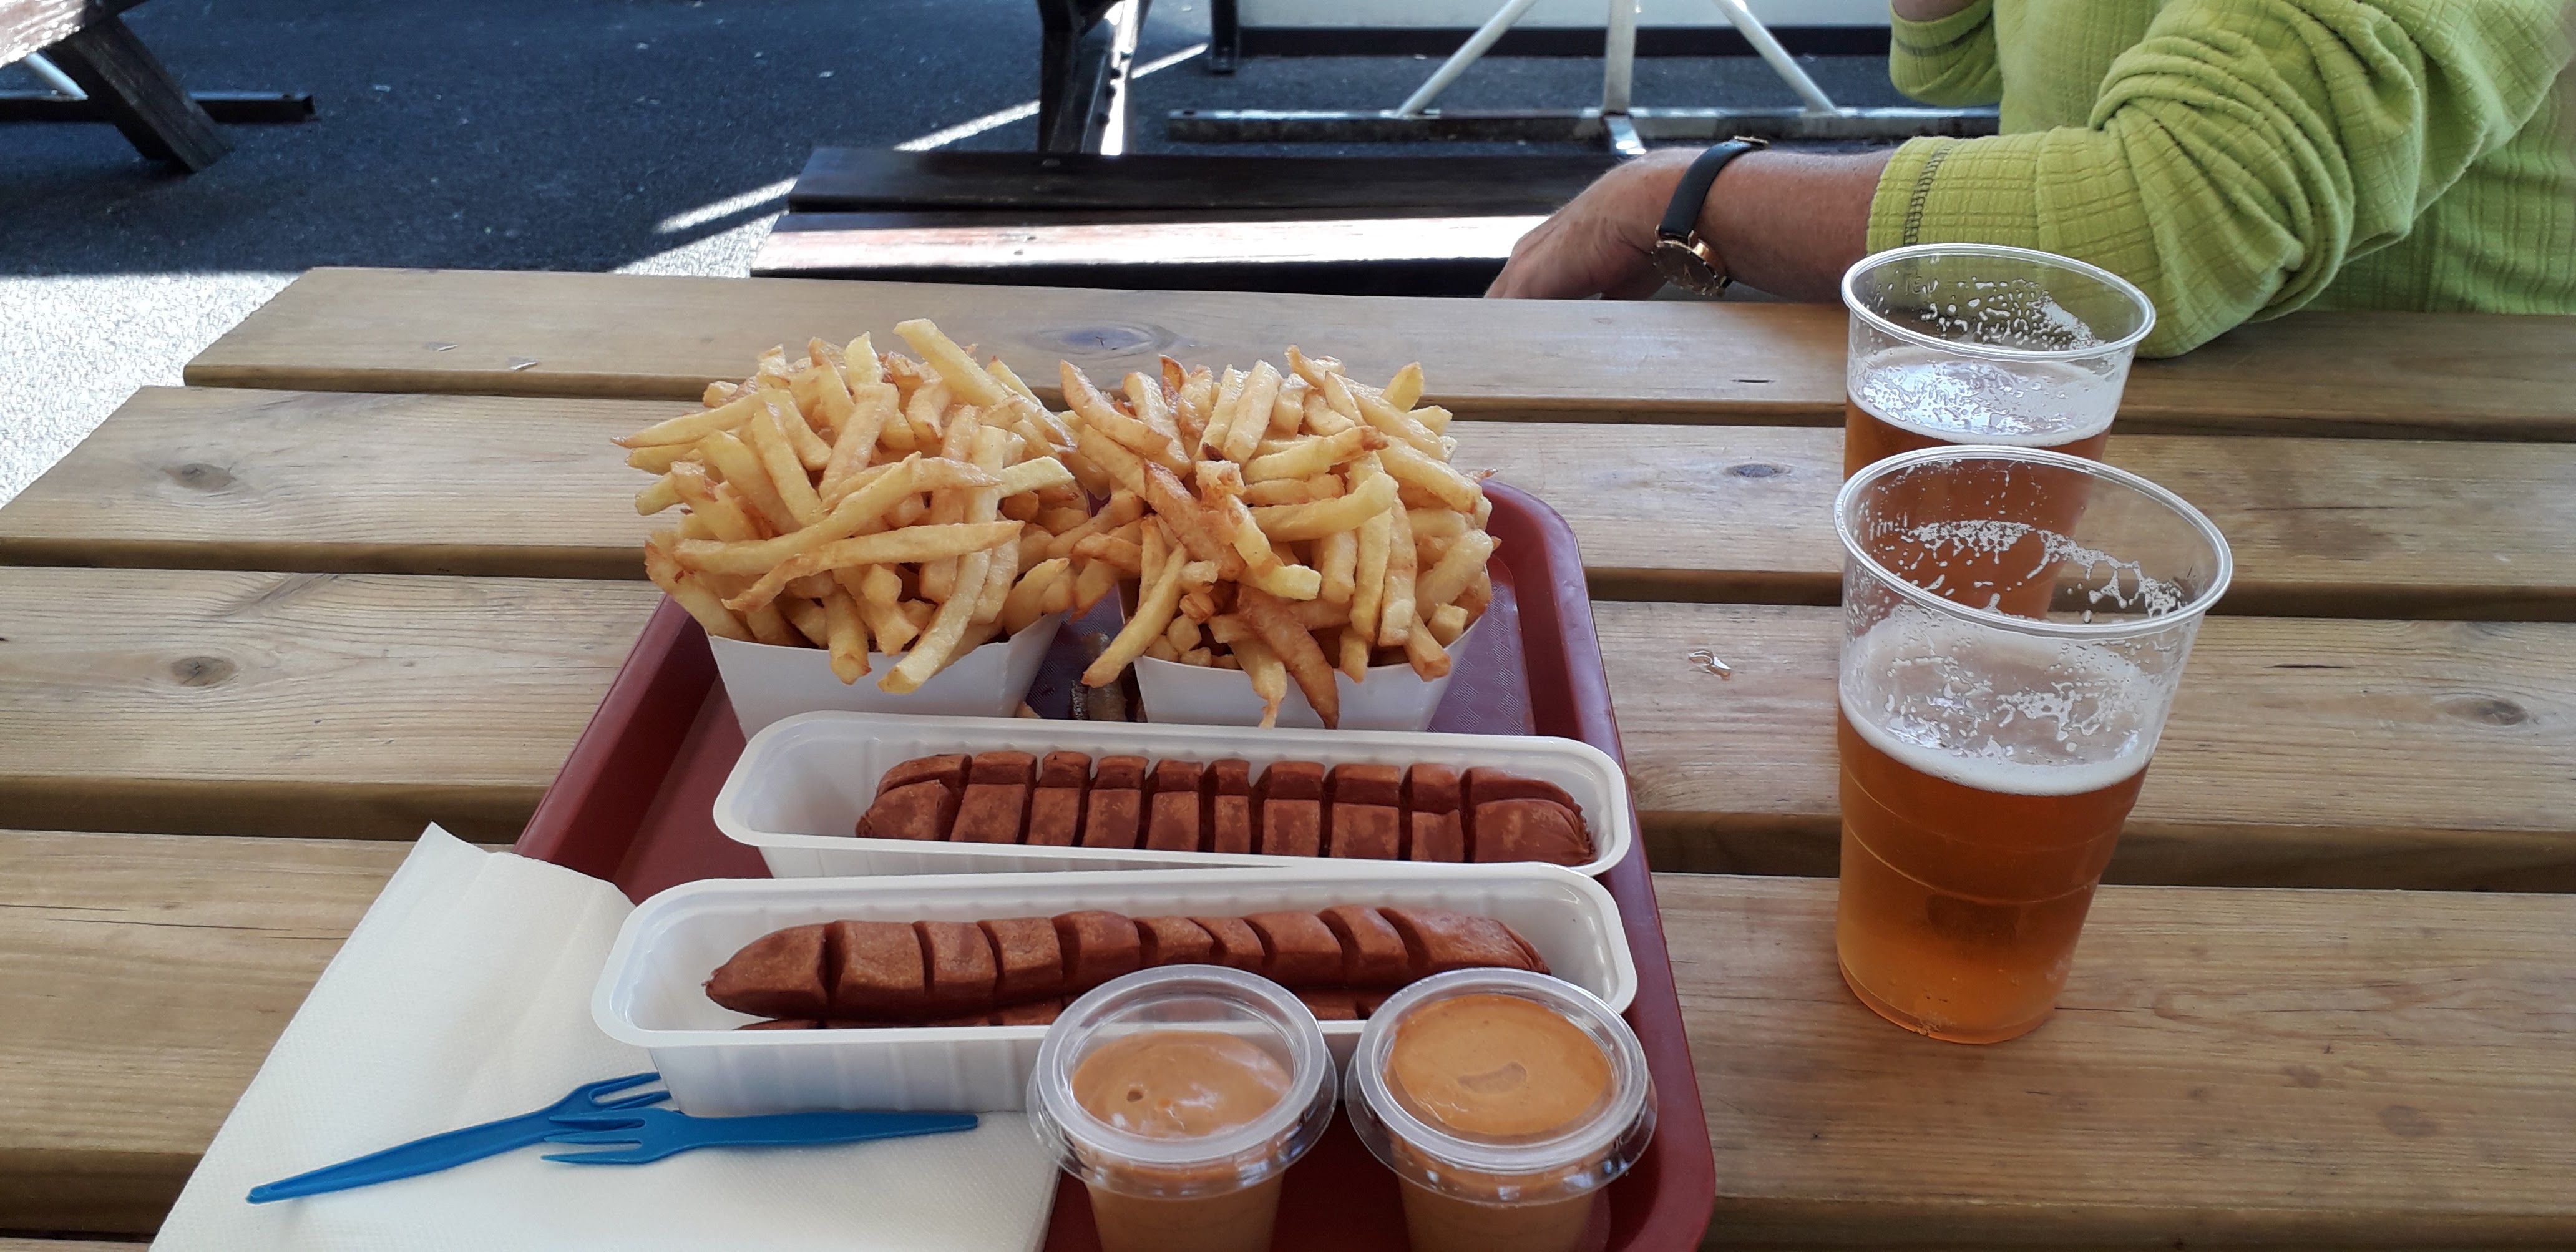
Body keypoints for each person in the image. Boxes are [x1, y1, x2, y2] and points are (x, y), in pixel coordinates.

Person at [1486, 0, 2576, 356]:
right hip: (2061, 403)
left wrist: (1676, 196)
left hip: (2387, 512)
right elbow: (1955, 58)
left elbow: (2167, 215)